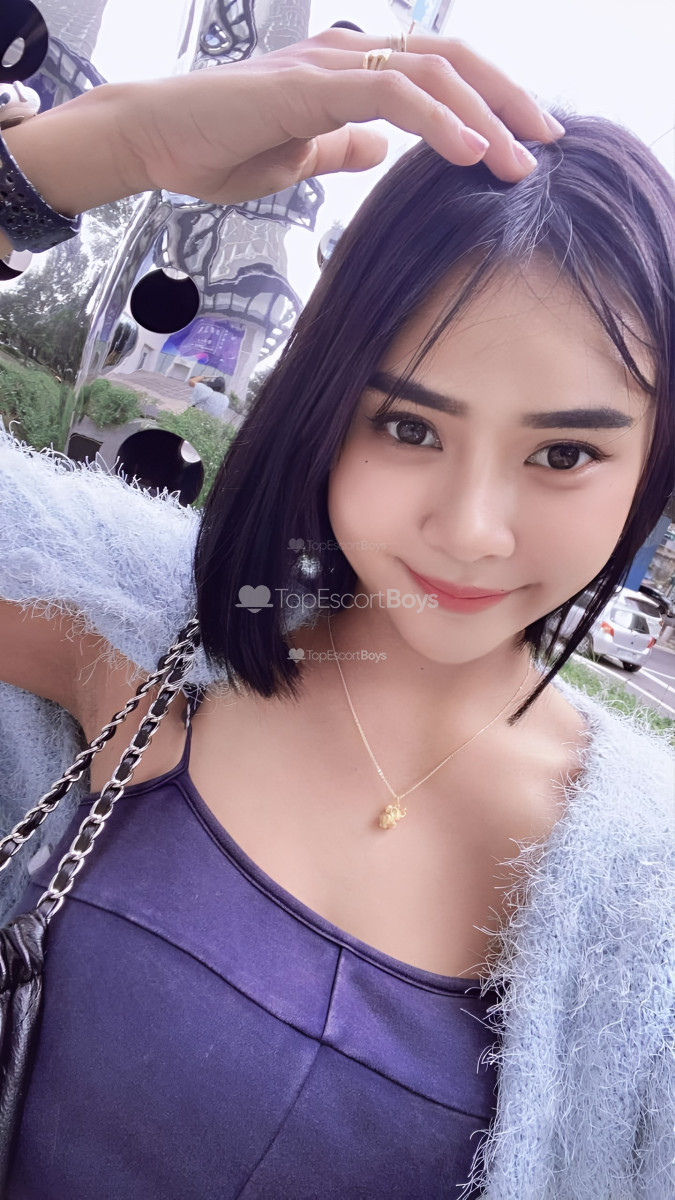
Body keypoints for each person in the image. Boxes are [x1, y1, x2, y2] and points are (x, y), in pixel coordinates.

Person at [0, 27, 672, 1200]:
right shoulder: (134, 630)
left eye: (564, 453)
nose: (471, 529)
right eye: (409, 427)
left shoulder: (650, 899)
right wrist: (106, 150)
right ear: (325, 406)